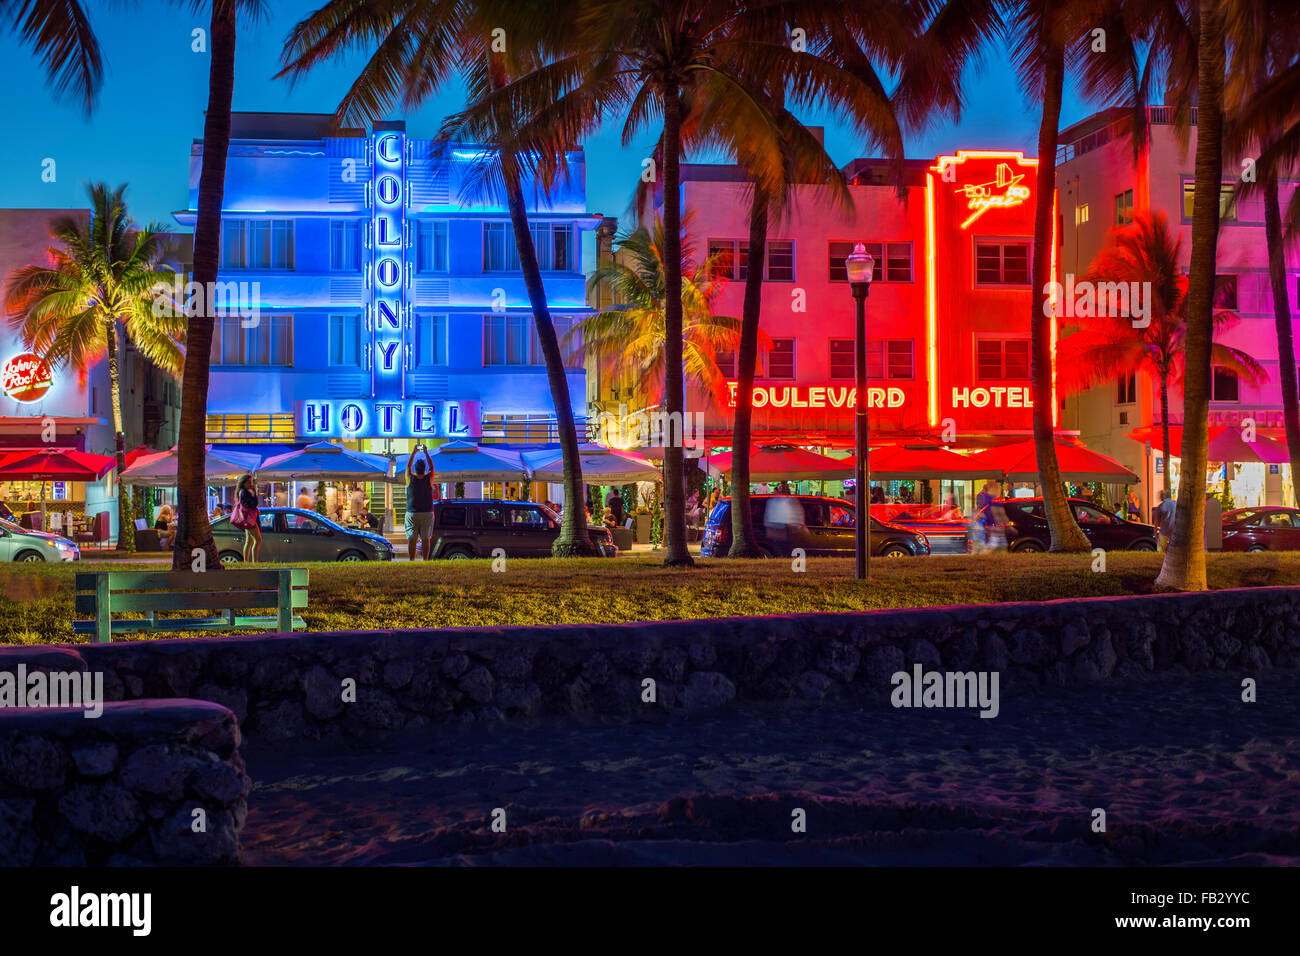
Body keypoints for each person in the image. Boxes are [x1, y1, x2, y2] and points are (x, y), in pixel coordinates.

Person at [405, 444, 436, 560]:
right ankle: (425, 560)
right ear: (424, 469)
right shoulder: (429, 479)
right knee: (425, 538)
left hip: (412, 512)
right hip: (427, 512)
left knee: (412, 539)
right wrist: (427, 453)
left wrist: (413, 452)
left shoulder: (410, 479)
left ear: (415, 469)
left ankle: (412, 560)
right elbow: (432, 468)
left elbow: (408, 467)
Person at [236, 474, 261, 562]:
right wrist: (255, 495)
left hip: (246, 518)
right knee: (258, 540)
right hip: (249, 519)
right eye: (249, 482)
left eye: (251, 482)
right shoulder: (245, 492)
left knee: (249, 541)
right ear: (244, 483)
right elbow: (253, 504)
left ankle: (246, 562)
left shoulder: (242, 492)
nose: (251, 484)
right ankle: (255, 562)